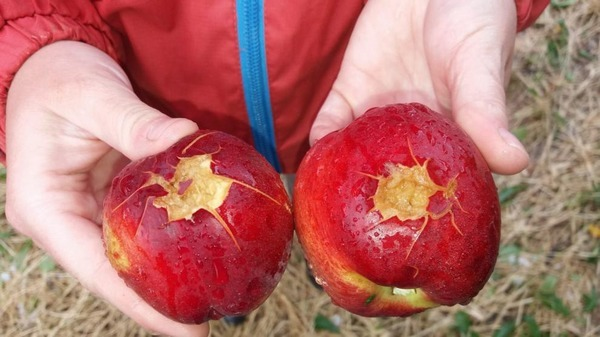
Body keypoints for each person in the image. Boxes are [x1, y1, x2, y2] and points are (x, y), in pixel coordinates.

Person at [0, 1, 548, 336]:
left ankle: (281, 247)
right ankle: (238, 287)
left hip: (347, 77)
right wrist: (34, 50)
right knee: (228, 249)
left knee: (295, 200)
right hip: (162, 98)